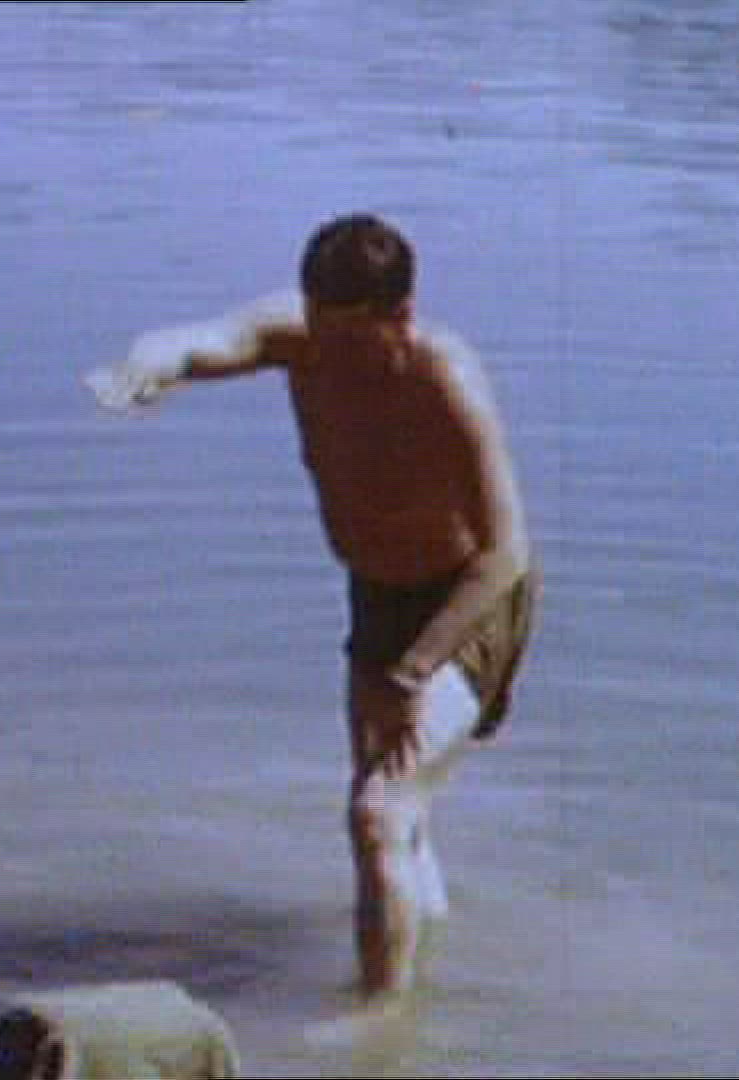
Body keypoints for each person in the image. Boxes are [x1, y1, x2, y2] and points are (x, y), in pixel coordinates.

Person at [94, 213, 539, 1006]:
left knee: (377, 812)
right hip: (377, 599)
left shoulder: (444, 379)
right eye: (318, 327)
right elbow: (200, 342)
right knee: (398, 821)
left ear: (400, 316)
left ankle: (380, 1027)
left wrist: (414, 669)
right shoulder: (300, 338)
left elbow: (506, 553)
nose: (328, 353)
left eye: (349, 337)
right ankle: (429, 991)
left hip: (467, 603)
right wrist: (143, 367)